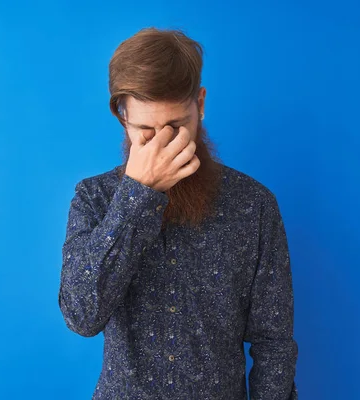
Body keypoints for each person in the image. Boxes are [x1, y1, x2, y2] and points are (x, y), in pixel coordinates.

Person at [58, 27, 298, 399]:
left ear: (199, 105)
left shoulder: (255, 205)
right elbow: (81, 315)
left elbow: (273, 344)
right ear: (123, 116)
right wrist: (138, 195)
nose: (163, 144)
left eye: (176, 126)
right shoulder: (95, 198)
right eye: (145, 130)